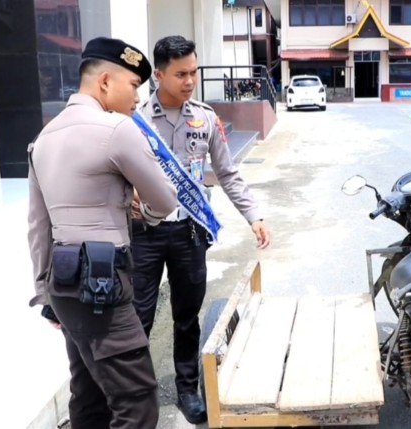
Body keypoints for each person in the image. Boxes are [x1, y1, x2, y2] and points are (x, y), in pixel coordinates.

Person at [27, 37, 179, 429]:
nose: (137, 98)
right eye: (133, 86)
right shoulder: (117, 130)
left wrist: (45, 293)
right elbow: (165, 200)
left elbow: (39, 227)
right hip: (103, 285)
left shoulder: (43, 139)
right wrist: (140, 207)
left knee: (89, 393)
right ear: (106, 82)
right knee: (137, 400)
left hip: (64, 284)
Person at [130, 35, 271, 424]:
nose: (190, 80)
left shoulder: (205, 118)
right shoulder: (134, 118)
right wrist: (127, 198)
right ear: (158, 75)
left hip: (189, 234)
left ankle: (188, 388)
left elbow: (227, 172)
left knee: (187, 315)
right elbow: (115, 172)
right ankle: (140, 396)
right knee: (139, 317)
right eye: (180, 74)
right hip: (143, 234)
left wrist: (253, 215)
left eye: (193, 71)